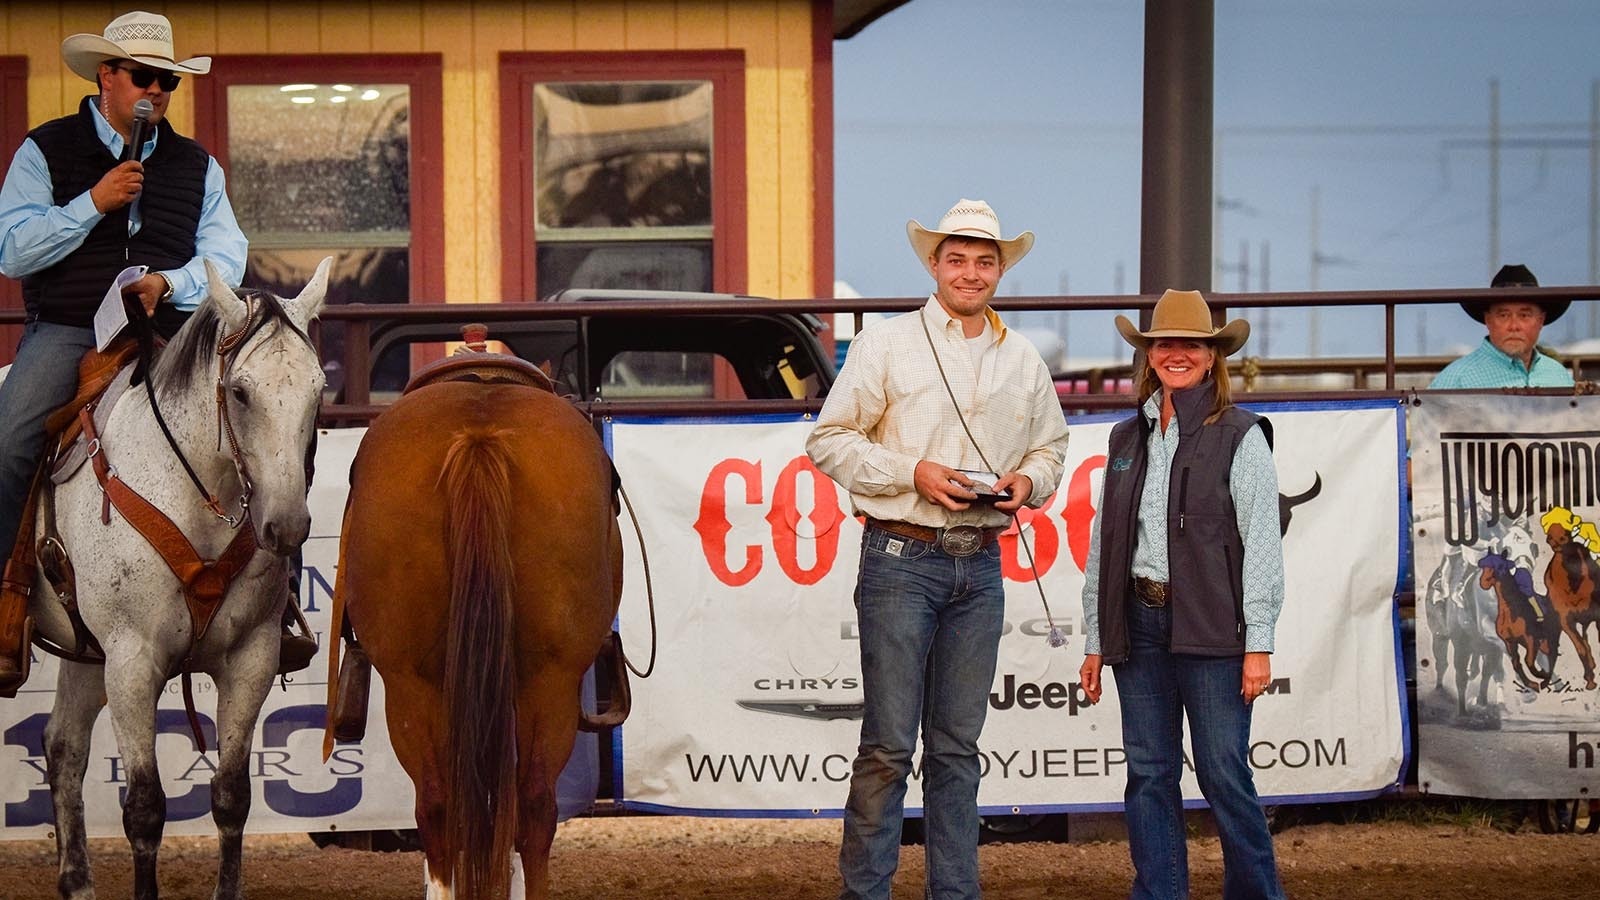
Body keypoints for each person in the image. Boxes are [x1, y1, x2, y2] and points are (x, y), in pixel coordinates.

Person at [807, 198, 1069, 899]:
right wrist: (911, 471)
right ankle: (867, 893)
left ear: (1000, 270)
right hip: (902, 556)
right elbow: (828, 441)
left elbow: (1053, 446)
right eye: (958, 259)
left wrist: (1028, 481)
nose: (971, 272)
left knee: (956, 749)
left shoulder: (1022, 360)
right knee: (890, 747)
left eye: (985, 261)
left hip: (979, 563)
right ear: (934, 265)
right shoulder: (885, 344)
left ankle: (955, 893)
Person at [0, 11, 252, 692]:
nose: (157, 92)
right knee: (10, 438)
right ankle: (6, 600)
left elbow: (228, 254)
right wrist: (93, 203)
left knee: (253, 420)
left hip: (166, 326)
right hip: (71, 327)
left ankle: (268, 606)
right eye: (144, 77)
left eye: (167, 81)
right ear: (108, 76)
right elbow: (14, 248)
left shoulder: (197, 163)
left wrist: (168, 281)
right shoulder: (44, 150)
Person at [1077, 289, 1286, 900]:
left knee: (1223, 771)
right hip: (1137, 624)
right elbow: (1105, 543)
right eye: (1164, 344)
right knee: (1148, 773)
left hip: (1213, 628)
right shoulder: (1126, 438)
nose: (1176, 354)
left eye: (1190, 344)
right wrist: (1097, 638)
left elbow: (1263, 545)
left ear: (1210, 355)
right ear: (1149, 356)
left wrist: (1261, 642)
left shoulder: (1241, 435)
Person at [1429, 264, 1573, 389]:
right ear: (1488, 320)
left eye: (1524, 315)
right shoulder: (1456, 380)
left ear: (1541, 320)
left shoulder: (1558, 375)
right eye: (1504, 315)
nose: (1514, 326)